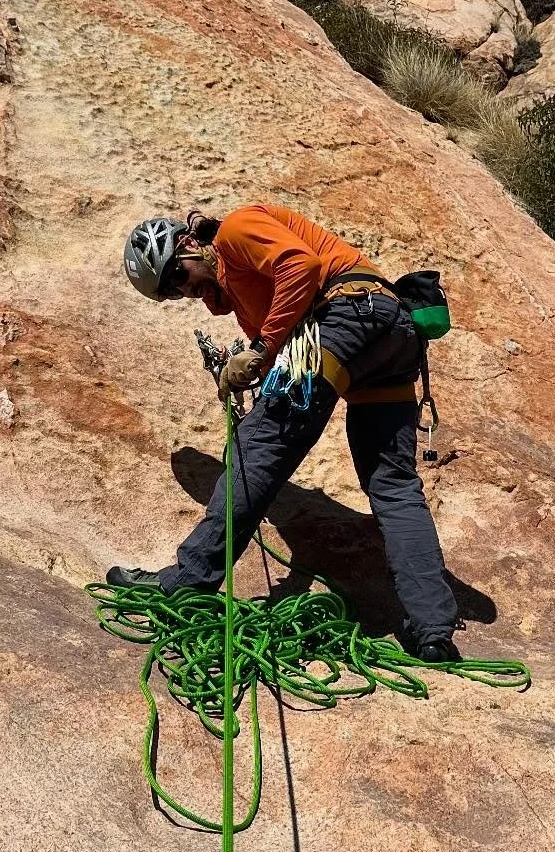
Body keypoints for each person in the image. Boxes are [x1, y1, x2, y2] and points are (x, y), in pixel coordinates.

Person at [107, 203, 461, 662]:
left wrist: (257, 351)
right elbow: (284, 359)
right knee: (392, 484)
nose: (184, 289)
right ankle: (433, 630)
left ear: (189, 244)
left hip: (350, 313)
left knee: (255, 450)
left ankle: (187, 583)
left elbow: (302, 266)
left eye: (177, 273)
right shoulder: (242, 291)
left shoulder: (235, 230)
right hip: (390, 336)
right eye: (172, 292)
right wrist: (252, 376)